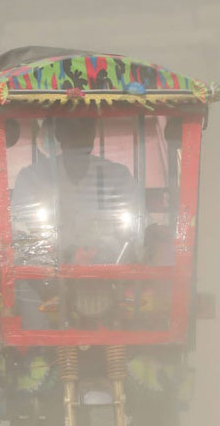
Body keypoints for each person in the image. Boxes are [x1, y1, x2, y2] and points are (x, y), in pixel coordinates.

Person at [11, 116, 142, 329]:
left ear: (94, 133)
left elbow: (138, 223)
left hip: (109, 271)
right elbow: (21, 232)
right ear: (59, 133)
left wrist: (147, 236)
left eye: (87, 124)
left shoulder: (118, 176)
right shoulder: (32, 177)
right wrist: (61, 255)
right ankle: (37, 350)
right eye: (72, 125)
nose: (80, 132)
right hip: (50, 274)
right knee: (25, 282)